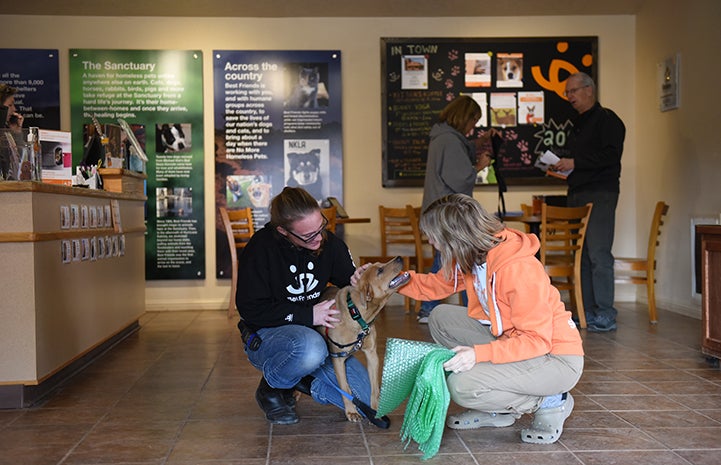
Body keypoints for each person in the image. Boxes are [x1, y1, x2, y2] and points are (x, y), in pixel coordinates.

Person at [398, 194, 584, 444]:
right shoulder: (474, 256)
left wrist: (478, 355)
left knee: (462, 386)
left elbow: (537, 340)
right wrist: (390, 281)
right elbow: (436, 285)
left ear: (455, 237)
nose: (430, 242)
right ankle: (496, 409)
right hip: (516, 342)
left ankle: (550, 400)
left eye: (434, 237)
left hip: (555, 359)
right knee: (441, 317)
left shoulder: (517, 269)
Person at [235, 186, 374, 425]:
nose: (319, 238)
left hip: (313, 333)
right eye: (309, 236)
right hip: (268, 334)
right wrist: (307, 315)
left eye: (321, 228)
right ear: (283, 231)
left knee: (363, 401)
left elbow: (348, 281)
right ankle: (272, 387)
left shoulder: (327, 242)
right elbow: (250, 309)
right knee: (310, 348)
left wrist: (358, 280)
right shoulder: (261, 248)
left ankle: (296, 376)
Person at [552, 72, 626, 332]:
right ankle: (586, 312)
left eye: (573, 91)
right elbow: (583, 160)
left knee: (598, 253)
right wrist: (564, 169)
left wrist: (576, 164)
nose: (569, 97)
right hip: (577, 192)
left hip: (600, 193)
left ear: (589, 90)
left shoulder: (608, 120)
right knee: (580, 257)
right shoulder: (578, 123)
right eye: (567, 92)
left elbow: (610, 157)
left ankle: (606, 313)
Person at [418, 95, 498, 324]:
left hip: (439, 212)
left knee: (453, 260)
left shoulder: (442, 136)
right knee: (454, 260)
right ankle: (439, 308)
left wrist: (481, 142)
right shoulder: (450, 141)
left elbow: (459, 157)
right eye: (473, 122)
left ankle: (458, 308)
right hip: (449, 215)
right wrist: (479, 166)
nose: (473, 127)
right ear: (466, 117)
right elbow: (460, 179)